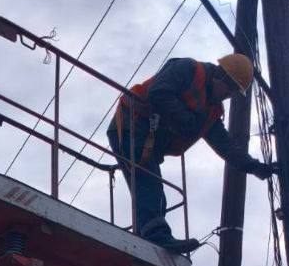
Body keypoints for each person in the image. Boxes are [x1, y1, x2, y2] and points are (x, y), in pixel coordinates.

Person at [107, 53, 274, 253]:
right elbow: (158, 92)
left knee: (155, 193)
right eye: (229, 90)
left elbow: (225, 145)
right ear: (220, 76)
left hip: (146, 138)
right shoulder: (188, 70)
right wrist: (186, 119)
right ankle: (155, 236)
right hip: (130, 125)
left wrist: (253, 166)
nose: (227, 96)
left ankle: (150, 238)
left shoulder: (210, 111)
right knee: (150, 185)